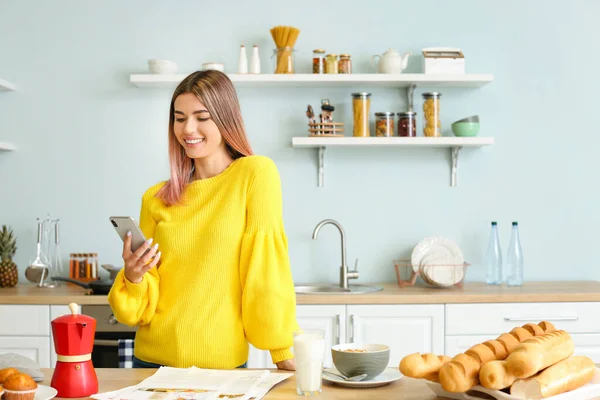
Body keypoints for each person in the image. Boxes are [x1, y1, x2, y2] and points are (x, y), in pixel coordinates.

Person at [107, 70, 298, 371]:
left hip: (221, 368)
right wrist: (133, 276)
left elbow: (264, 268)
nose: (188, 128)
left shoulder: (255, 175)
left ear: (225, 118)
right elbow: (138, 308)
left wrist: (281, 351)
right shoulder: (155, 198)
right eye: (179, 118)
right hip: (151, 363)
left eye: (201, 116)